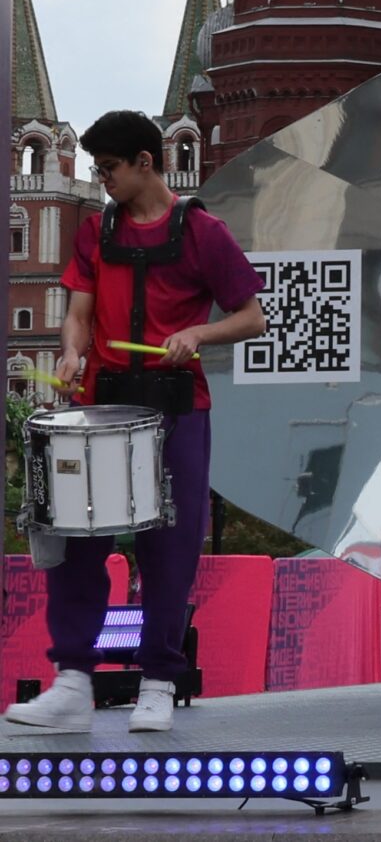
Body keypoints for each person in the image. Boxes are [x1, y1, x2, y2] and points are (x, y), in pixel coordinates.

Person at [5, 111, 266, 734]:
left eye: (109, 168)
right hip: (102, 405)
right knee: (75, 542)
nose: (103, 179)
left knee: (168, 552)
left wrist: (197, 332)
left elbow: (252, 317)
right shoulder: (96, 231)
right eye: (96, 169)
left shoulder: (203, 231)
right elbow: (79, 313)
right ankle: (73, 682)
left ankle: (157, 682)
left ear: (145, 163)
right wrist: (71, 353)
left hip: (176, 408)